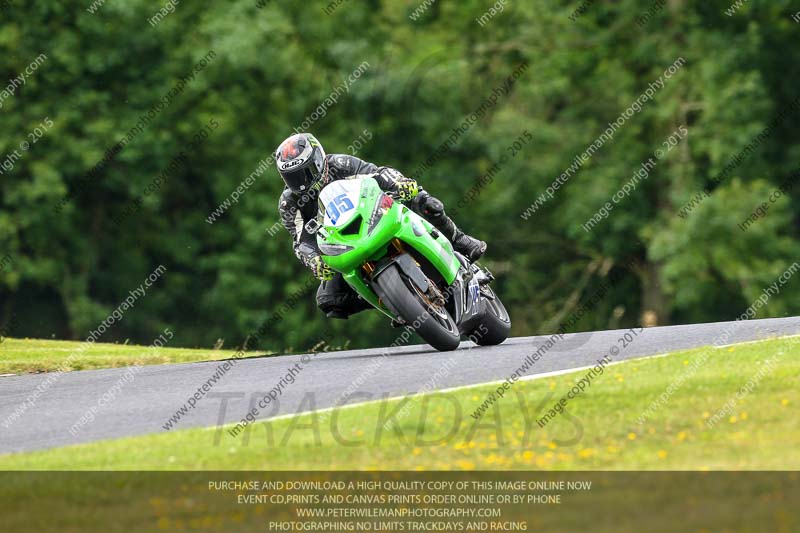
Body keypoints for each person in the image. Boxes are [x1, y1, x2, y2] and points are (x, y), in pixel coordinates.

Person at [276, 132, 486, 319]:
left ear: (320, 160)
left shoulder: (340, 164)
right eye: (293, 178)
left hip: (373, 216)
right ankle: (394, 300)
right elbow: (301, 240)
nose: (302, 183)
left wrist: (400, 183)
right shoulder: (289, 203)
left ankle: (459, 241)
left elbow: (377, 173)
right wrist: (313, 260)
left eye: (307, 172)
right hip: (343, 245)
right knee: (328, 300)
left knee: (427, 203)